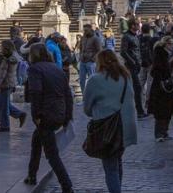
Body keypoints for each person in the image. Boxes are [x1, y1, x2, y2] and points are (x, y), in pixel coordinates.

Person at [83, 50, 138, 193]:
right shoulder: (126, 77)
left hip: (107, 129)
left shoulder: (95, 80)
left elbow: (87, 108)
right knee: (116, 161)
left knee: (110, 167)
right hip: (126, 126)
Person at [23, 45, 74, 190]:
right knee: (36, 140)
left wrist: (36, 115)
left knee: (52, 154)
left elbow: (36, 93)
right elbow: (67, 94)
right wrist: (68, 116)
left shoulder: (35, 69)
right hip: (60, 112)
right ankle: (32, 175)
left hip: (46, 114)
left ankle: (66, 185)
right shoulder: (56, 68)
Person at [0, 39, 27, 131]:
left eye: (1, 47)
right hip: (10, 83)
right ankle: (19, 114)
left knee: (3, 106)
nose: (0, 49)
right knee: (3, 104)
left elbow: (2, 75)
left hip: (6, 84)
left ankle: (5, 126)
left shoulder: (7, 59)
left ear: (6, 48)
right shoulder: (13, 56)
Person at [148, 35, 173, 140]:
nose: (172, 45)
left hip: (167, 86)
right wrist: (162, 80)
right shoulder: (160, 54)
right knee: (160, 111)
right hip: (160, 87)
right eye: (170, 43)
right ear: (165, 44)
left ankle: (164, 132)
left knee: (167, 110)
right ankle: (159, 133)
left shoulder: (167, 54)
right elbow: (155, 71)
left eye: (172, 43)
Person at [120, 19, 145, 118]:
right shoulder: (126, 36)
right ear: (132, 25)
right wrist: (133, 62)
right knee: (136, 87)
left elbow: (137, 50)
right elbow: (123, 52)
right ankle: (139, 111)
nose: (139, 25)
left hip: (137, 65)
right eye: (137, 24)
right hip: (131, 66)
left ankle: (137, 110)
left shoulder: (136, 36)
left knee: (134, 88)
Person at [78, 24, 104, 97]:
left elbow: (99, 50)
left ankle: (93, 96)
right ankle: (84, 96)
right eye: (84, 30)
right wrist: (80, 55)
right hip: (83, 61)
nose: (85, 31)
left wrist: (93, 59)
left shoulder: (96, 38)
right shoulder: (83, 38)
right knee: (81, 80)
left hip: (91, 62)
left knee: (92, 80)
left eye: (86, 30)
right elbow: (80, 48)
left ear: (90, 29)